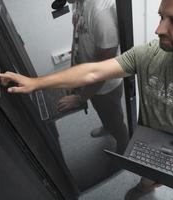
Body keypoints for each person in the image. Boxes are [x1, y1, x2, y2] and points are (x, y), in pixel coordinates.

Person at [0, 0, 173, 199]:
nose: (159, 29)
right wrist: (36, 83)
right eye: (161, 16)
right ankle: (144, 188)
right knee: (146, 178)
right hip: (149, 148)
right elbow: (93, 72)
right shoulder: (150, 54)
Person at [56, 0, 128, 154]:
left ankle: (124, 148)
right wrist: (73, 74)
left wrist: (80, 98)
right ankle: (107, 127)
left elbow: (105, 68)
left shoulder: (101, 15)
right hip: (89, 78)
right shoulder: (78, 2)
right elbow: (76, 37)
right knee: (101, 110)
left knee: (115, 120)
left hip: (106, 85)